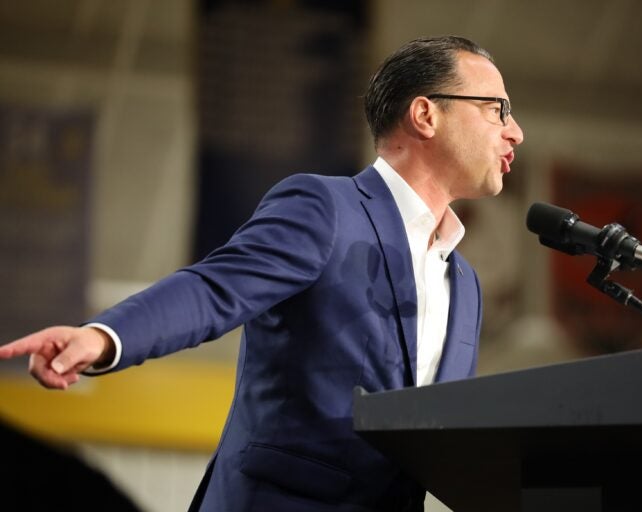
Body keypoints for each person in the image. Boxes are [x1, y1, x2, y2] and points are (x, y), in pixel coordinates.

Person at [0, 35, 523, 511]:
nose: (514, 132)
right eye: (497, 110)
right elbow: (213, 288)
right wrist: (104, 336)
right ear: (426, 115)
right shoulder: (327, 208)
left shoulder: (467, 286)